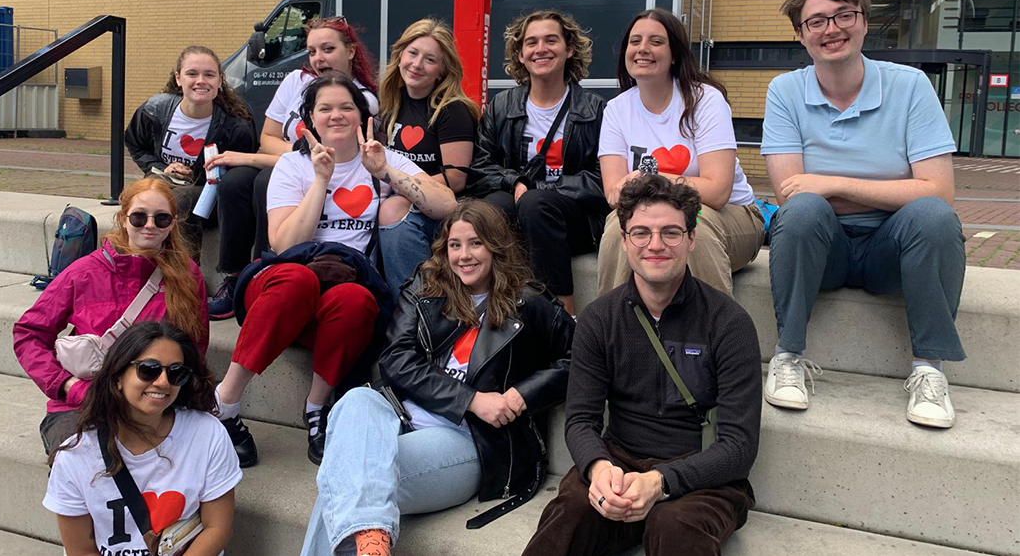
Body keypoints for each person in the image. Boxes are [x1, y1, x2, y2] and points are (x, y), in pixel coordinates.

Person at [300, 199, 573, 556]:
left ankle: (369, 540)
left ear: (495, 245)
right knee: (356, 400)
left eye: (475, 243)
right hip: (402, 419)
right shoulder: (428, 287)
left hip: (466, 439)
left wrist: (522, 394)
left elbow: (579, 357)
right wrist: (471, 399)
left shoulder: (529, 303)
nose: (464, 255)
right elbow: (395, 358)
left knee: (345, 480)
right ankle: (371, 543)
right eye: (454, 245)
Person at [213, 73, 457, 468]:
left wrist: (386, 173)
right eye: (325, 108)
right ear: (308, 119)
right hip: (283, 290)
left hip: (340, 302)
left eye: (346, 107)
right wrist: (321, 180)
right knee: (299, 277)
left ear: (361, 117)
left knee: (358, 298)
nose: (336, 115)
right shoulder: (293, 166)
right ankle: (225, 401)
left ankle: (317, 411)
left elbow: (446, 204)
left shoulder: (383, 158)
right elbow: (286, 245)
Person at [761, 0, 965, 428]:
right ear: (801, 35)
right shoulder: (785, 91)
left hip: (891, 251)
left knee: (932, 217)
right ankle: (788, 356)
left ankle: (929, 370)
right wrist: (892, 191)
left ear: (864, 21)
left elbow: (937, 191)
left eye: (843, 15)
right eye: (816, 21)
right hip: (823, 251)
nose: (831, 29)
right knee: (803, 212)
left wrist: (833, 184)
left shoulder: (910, 86)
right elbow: (792, 192)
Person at [523, 173, 761, 556]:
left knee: (675, 526)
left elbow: (739, 446)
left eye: (670, 232)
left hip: (702, 474)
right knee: (567, 515)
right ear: (624, 241)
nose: (655, 245)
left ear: (691, 239)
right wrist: (599, 468)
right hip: (619, 461)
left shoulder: (729, 323)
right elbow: (581, 420)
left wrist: (661, 481)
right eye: (641, 233)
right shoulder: (600, 319)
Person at [14, 178, 210, 455]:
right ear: (124, 218)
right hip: (85, 402)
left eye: (161, 218)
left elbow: (195, 347)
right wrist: (67, 385)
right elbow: (29, 334)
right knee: (85, 461)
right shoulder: (83, 272)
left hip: (157, 400)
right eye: (139, 217)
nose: (150, 225)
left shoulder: (188, 276)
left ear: (173, 223)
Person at [206, 17, 380, 320]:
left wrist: (252, 158)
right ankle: (234, 278)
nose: (318, 59)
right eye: (312, 51)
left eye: (328, 49)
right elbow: (267, 138)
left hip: (314, 171)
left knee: (262, 181)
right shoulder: (295, 81)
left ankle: (267, 270)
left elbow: (331, 156)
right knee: (234, 183)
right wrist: (293, 157)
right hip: (289, 163)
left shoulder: (361, 99)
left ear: (351, 51)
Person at [597, 9, 764, 298]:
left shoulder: (705, 100)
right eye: (634, 41)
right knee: (616, 228)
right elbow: (614, 194)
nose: (642, 49)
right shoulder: (616, 109)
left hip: (732, 217)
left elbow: (717, 191)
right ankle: (610, 332)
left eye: (656, 41)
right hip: (653, 217)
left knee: (690, 227)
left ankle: (717, 336)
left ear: (675, 54)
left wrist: (647, 179)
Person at [43, 321, 241, 556]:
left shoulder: (207, 433)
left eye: (176, 372)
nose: (163, 382)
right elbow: (82, 550)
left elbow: (217, 528)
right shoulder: (75, 455)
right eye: (148, 369)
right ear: (118, 376)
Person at [466, 10, 609, 315]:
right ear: (520, 54)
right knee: (493, 208)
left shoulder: (595, 109)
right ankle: (485, 309)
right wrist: (514, 183)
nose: (540, 49)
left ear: (569, 49)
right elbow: (480, 168)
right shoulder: (502, 106)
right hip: (520, 211)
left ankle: (560, 316)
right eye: (531, 42)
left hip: (574, 220)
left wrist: (539, 188)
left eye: (551, 40)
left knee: (535, 203)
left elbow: (603, 179)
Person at [123, 45, 257, 264]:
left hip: (209, 199)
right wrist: (162, 167)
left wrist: (198, 177)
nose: (201, 81)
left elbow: (239, 179)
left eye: (209, 75)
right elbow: (135, 144)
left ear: (220, 81)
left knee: (179, 199)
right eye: (192, 74)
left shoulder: (236, 127)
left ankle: (185, 276)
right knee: (141, 196)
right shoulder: (154, 111)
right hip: (163, 185)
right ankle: (134, 264)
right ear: (178, 78)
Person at [377, 18, 480, 289]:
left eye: (430, 59)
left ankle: (415, 305)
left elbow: (456, 179)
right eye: (412, 53)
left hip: (443, 210)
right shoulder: (389, 105)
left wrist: (403, 187)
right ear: (399, 56)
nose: (417, 64)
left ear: (442, 70)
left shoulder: (452, 110)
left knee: (391, 209)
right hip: (398, 198)